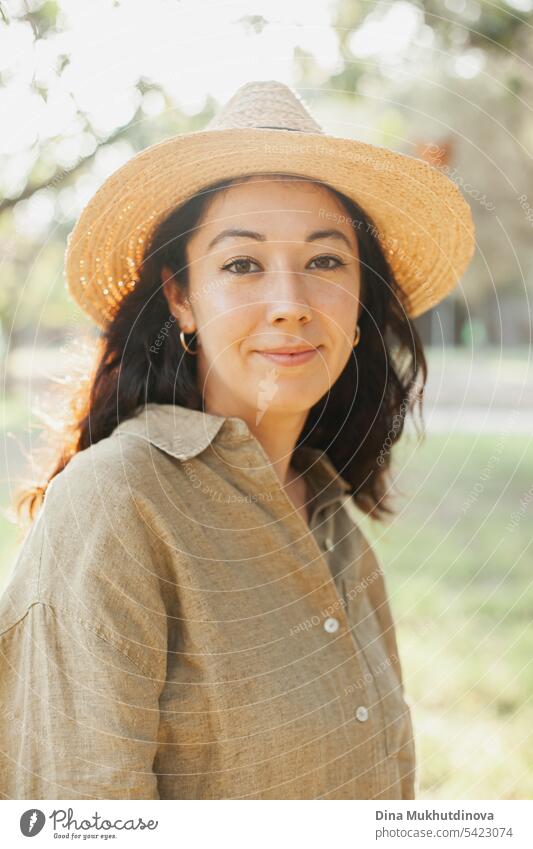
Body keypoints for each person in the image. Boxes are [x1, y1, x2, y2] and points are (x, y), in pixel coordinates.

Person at [0, 80, 475, 800]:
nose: (289, 304)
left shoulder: (329, 519)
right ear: (181, 297)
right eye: (241, 264)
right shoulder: (114, 504)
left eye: (324, 261)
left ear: (357, 302)